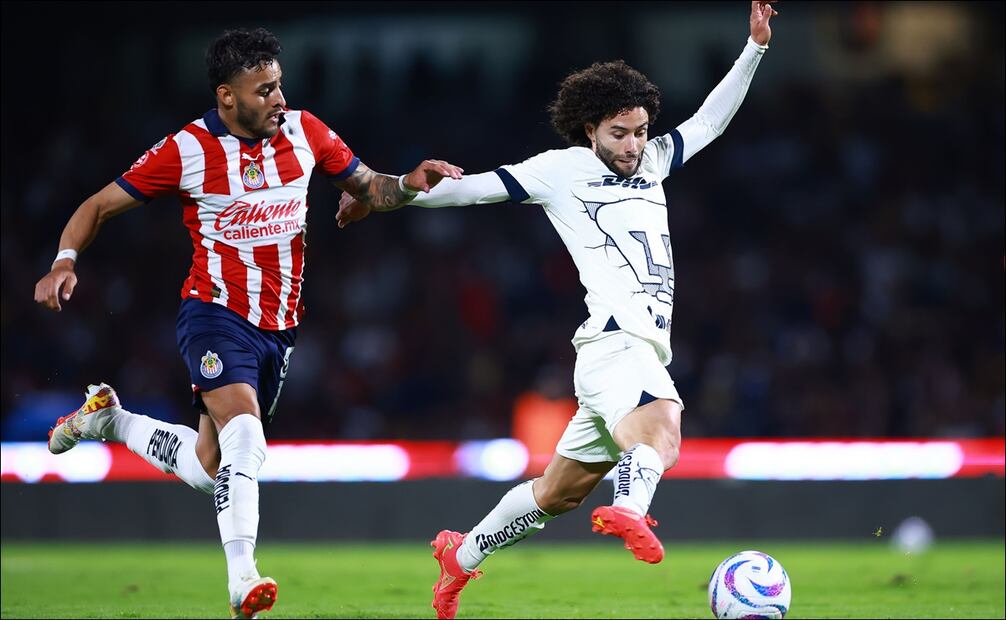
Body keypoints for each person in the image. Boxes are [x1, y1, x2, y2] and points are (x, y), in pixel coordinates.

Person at [337, 3, 778, 618]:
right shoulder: (560, 170)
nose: (633, 145)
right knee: (663, 426)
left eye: (640, 131)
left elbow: (709, 120)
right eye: (619, 133)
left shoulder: (654, 161)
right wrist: (389, 190)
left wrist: (754, 47)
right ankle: (629, 510)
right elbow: (472, 190)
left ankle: (461, 556)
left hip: (623, 353)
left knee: (557, 493)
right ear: (590, 129)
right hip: (617, 344)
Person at [33, 27, 461, 619]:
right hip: (213, 314)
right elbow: (98, 205)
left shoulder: (306, 131)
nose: (279, 99)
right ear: (227, 96)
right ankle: (243, 580)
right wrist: (64, 261)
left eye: (279, 85)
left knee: (213, 469)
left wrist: (410, 183)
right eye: (264, 90)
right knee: (246, 436)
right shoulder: (188, 149)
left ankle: (110, 419)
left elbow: (369, 186)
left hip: (279, 329)